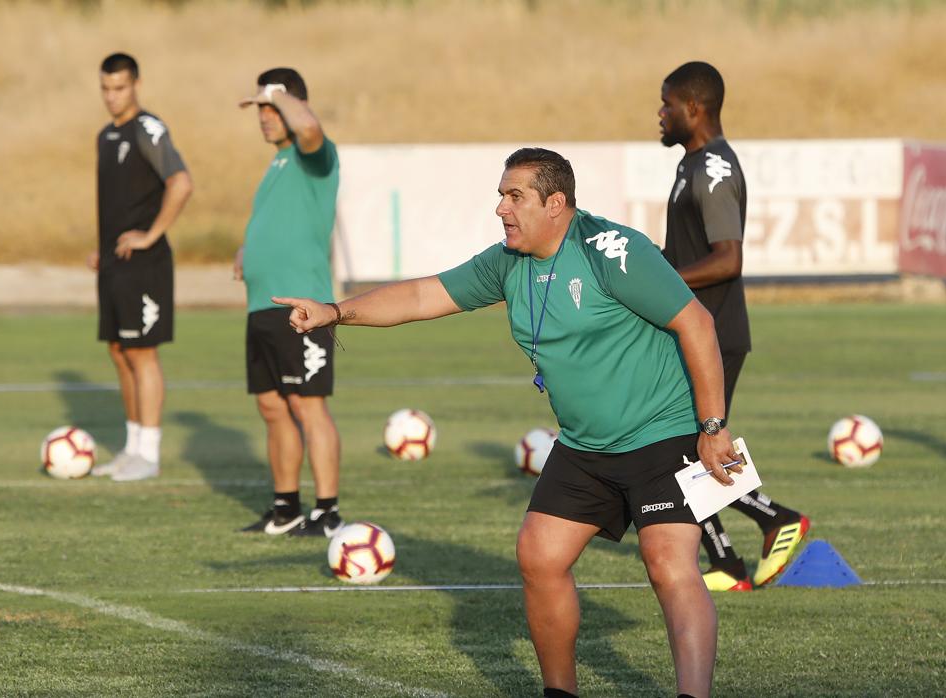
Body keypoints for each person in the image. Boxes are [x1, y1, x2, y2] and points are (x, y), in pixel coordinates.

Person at [275, 148, 739, 698]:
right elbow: (424, 295)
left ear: (556, 203)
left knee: (668, 565)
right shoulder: (508, 262)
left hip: (662, 434)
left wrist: (712, 428)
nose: (501, 208)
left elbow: (698, 324)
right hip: (586, 446)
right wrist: (335, 311)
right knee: (539, 555)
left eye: (514, 196)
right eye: (501, 195)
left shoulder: (611, 250)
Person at [658, 61, 810, 591]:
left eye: (667, 104)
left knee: (686, 450)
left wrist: (661, 284)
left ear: (692, 109)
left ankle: (775, 519)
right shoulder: (693, 165)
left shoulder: (715, 169)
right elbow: (688, 254)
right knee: (677, 450)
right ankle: (725, 562)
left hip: (714, 333)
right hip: (697, 331)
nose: (660, 114)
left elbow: (727, 260)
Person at [235, 68, 344, 538]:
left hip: (303, 309)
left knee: (307, 406)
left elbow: (310, 129)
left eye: (270, 108)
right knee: (272, 407)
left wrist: (284, 98)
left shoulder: (315, 154)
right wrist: (248, 248)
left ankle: (326, 511)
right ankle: (285, 509)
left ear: (292, 106)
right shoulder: (276, 164)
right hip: (261, 306)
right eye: (258, 109)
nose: (263, 117)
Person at [88, 52, 193, 482]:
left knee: (142, 353)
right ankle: (130, 449)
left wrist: (150, 234)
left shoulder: (149, 129)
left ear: (136, 85)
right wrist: (102, 250)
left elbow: (181, 183)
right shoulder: (104, 136)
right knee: (119, 351)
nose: (112, 97)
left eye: (120, 88)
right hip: (114, 263)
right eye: (106, 89)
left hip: (145, 264)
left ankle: (149, 453)